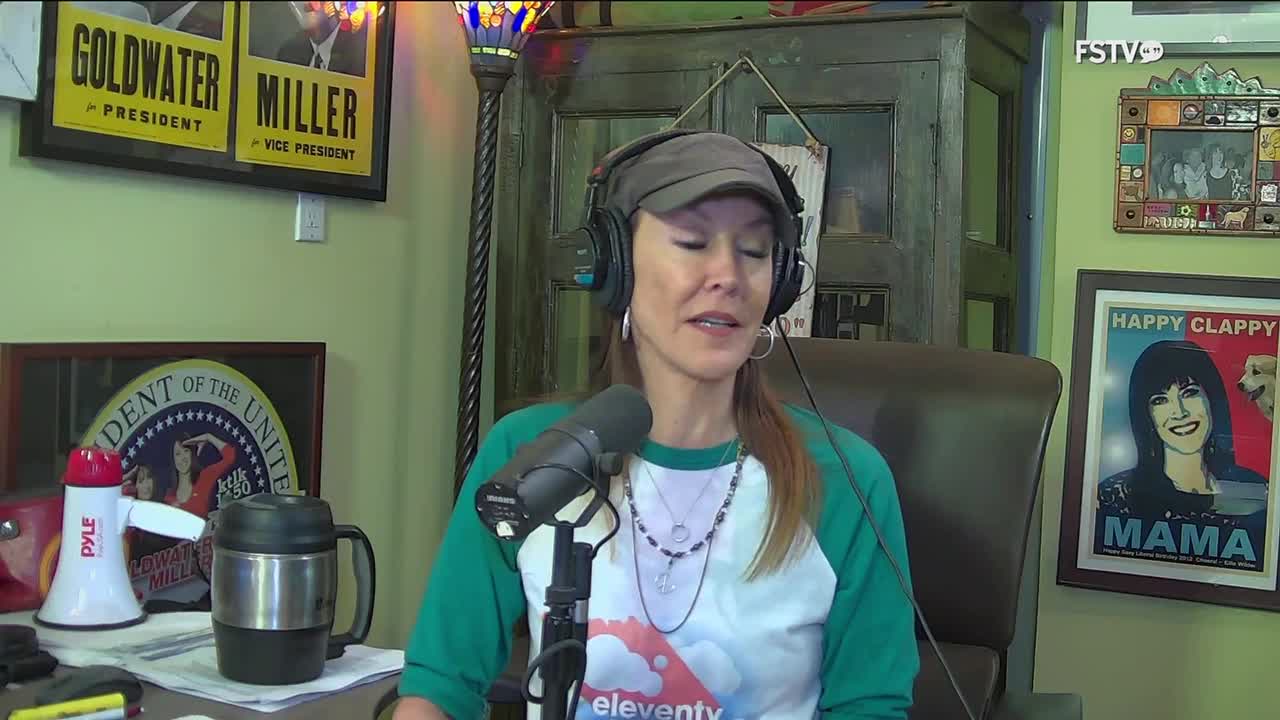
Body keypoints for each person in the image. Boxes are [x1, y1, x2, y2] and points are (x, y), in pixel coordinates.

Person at [395, 131, 919, 720]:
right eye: (692, 242)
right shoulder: (529, 454)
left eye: (754, 251)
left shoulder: (845, 480)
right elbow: (439, 687)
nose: (727, 275)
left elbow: (869, 706)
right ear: (614, 266)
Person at [1097, 339, 1268, 526]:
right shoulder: (1111, 498)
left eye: (1189, 393)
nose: (1179, 412)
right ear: (1146, 415)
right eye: (1160, 400)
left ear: (1211, 398)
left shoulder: (1256, 489)